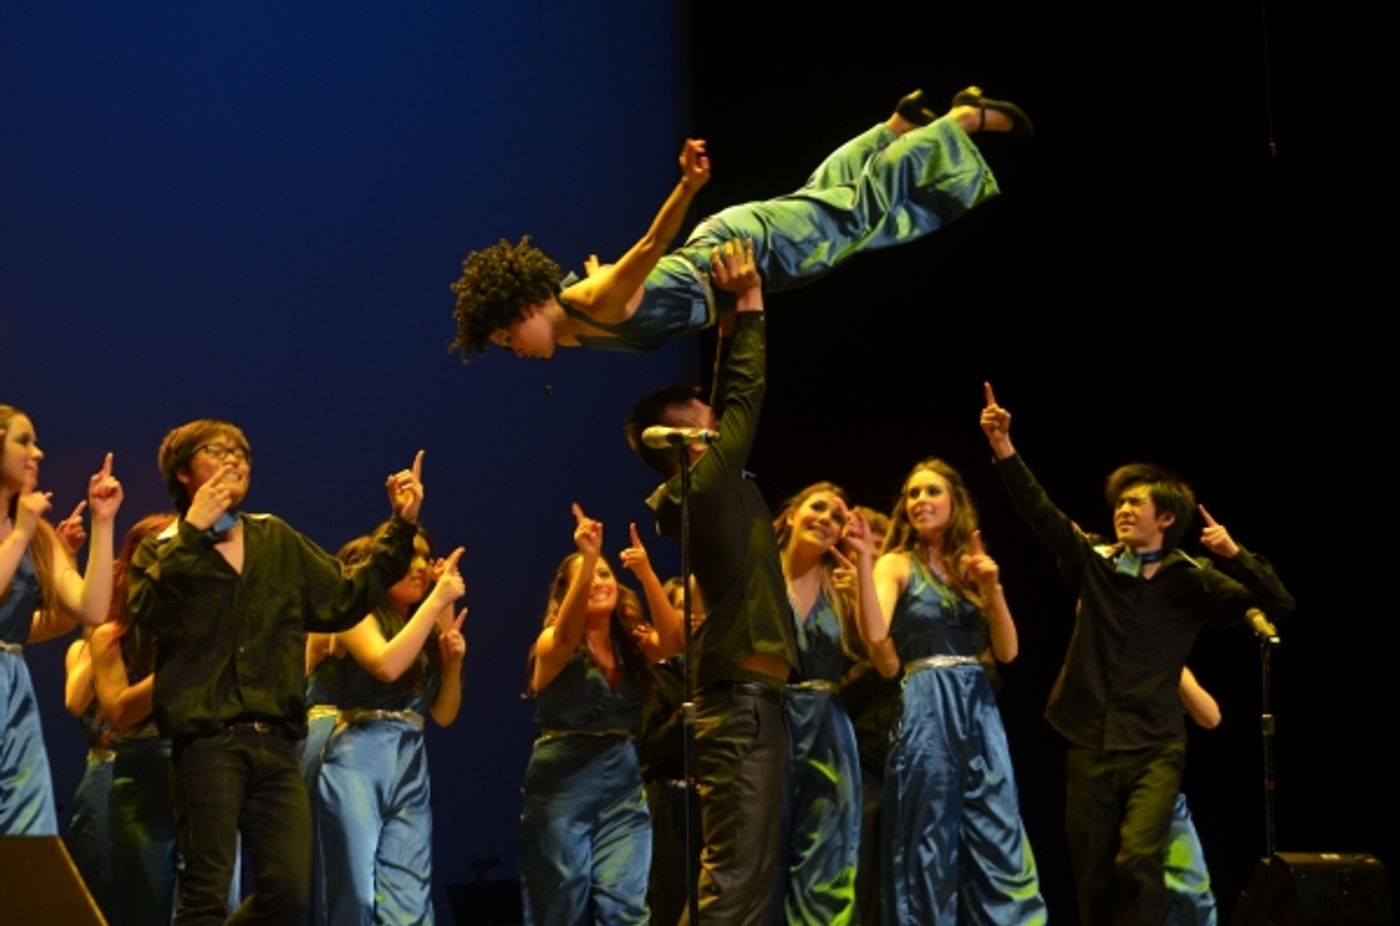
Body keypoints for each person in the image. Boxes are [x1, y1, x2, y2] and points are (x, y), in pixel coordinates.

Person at [979, 382, 1296, 925]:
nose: (1123, 509)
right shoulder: (1098, 564)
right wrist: (1005, 448)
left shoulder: (1192, 582)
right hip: (1088, 738)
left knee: (1141, 857)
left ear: (1166, 518)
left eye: (1135, 502)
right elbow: (1042, 516)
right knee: (1091, 866)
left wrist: (1235, 554)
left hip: (1154, 745)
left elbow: (1279, 603)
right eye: (1119, 502)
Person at [452, 87, 1029, 358]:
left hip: (739, 251)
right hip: (731, 261)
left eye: (507, 336)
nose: (513, 349)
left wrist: (688, 186)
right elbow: (626, 278)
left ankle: (963, 118)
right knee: (827, 202)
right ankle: (895, 127)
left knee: (854, 217)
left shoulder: (595, 301)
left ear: (527, 308)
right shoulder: (574, 328)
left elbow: (653, 244)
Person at [127, 419, 425, 924]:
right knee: (205, 893)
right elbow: (149, 610)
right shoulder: (161, 547)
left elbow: (342, 599)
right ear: (182, 472)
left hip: (278, 741)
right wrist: (196, 531)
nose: (234, 460)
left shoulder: (275, 538)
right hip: (206, 741)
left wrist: (401, 525)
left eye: (241, 453)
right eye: (216, 451)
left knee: (288, 892)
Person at [624, 239, 798, 924]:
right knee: (733, 888)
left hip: (750, 707)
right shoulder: (704, 486)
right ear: (685, 441)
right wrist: (752, 306)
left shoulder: (707, 489)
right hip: (743, 709)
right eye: (702, 416)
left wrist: (726, 323)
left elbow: (728, 401)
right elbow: (744, 405)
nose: (715, 416)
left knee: (739, 886)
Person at [850, 459, 1046, 925]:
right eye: (912, 494)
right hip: (927, 705)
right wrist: (863, 561)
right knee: (927, 838)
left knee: (998, 832)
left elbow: (1009, 651)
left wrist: (991, 588)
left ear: (954, 502)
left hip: (979, 710)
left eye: (930, 492)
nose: (919, 501)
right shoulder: (897, 562)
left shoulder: (969, 564)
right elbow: (876, 634)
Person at [518, 505, 682, 925]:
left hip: (622, 781)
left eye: (606, 573)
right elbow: (570, 632)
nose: (598, 581)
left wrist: (646, 574)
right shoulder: (553, 644)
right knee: (559, 903)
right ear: (566, 593)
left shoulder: (632, 643)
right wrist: (588, 557)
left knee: (625, 905)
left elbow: (673, 644)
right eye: (586, 578)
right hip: (562, 780)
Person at [313, 525, 466, 925]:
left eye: (423, 558)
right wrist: (437, 601)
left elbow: (444, 714)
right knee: (355, 894)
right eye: (408, 556)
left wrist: (452, 663)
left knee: (409, 900)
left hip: (411, 760)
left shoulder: (421, 626)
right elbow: (385, 664)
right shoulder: (352, 613)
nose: (419, 566)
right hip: (356, 755)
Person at [1, 405, 123, 835]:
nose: (38, 452)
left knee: (26, 827)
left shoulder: (39, 534)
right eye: (23, 441)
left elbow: (89, 608)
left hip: (12, 688)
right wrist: (19, 533)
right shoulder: (26, 530)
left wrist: (103, 521)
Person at [770, 481, 866, 924]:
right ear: (791, 514)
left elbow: (883, 655)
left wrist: (861, 587)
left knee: (825, 861)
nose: (827, 520)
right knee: (759, 858)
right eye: (818, 508)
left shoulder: (843, 585)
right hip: (766, 725)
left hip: (828, 733)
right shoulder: (758, 576)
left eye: (837, 517)